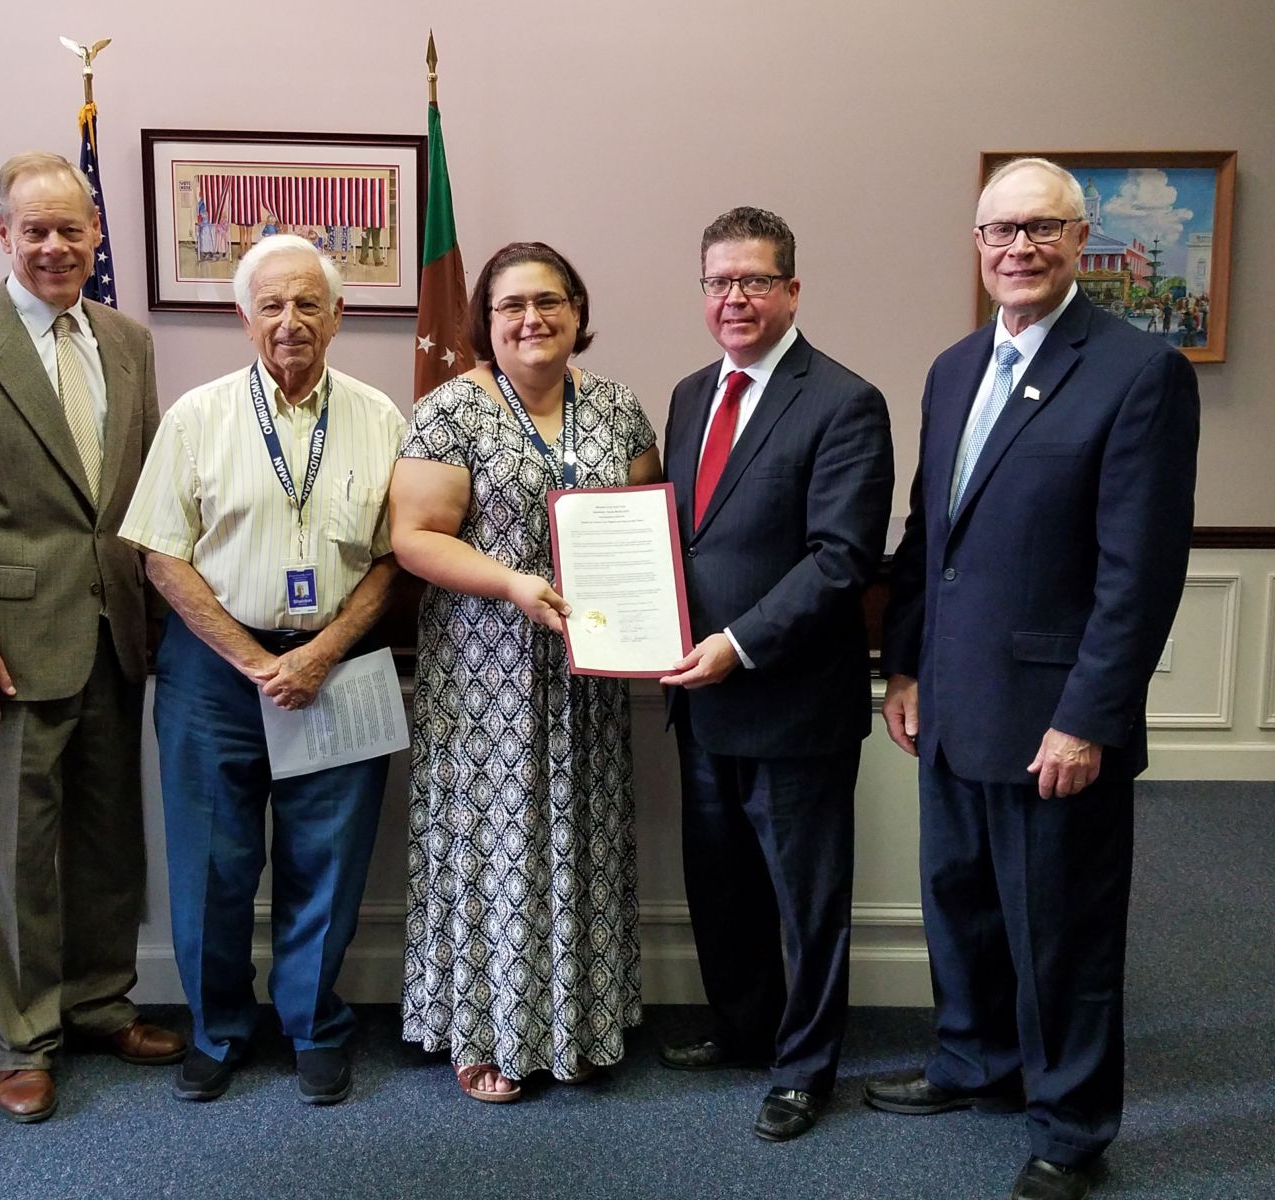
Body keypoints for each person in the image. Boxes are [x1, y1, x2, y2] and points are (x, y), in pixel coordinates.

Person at [866, 158, 1199, 1200]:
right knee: (959, 903)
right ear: (976, 245)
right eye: (999, 231)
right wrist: (905, 667)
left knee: (1062, 933)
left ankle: (1068, 1126)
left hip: (1056, 720)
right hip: (954, 702)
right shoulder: (953, 367)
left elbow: (1137, 572)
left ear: (1078, 239)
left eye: (1041, 229)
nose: (1019, 248)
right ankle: (976, 1061)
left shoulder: (1138, 370)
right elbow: (932, 539)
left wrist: (1087, 719)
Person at [0, 151, 182, 1123]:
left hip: (114, 632)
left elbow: (136, 496)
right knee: (11, 849)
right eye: (36, 230)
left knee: (106, 840)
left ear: (97, 236)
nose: (56, 246)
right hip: (1, 649)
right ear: (3, 234)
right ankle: (22, 1036)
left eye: (72, 229)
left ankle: (100, 1003)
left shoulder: (129, 342)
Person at [118, 234, 405, 1106]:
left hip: (339, 662)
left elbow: (396, 557)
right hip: (215, 673)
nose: (290, 322)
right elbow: (162, 558)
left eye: (308, 304)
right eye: (271, 306)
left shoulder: (382, 418)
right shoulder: (196, 418)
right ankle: (218, 1029)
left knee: (329, 858)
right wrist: (252, 660)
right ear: (244, 319)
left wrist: (319, 654)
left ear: (338, 316)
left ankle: (313, 1025)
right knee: (211, 862)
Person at [389, 241, 660, 1103]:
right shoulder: (449, 412)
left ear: (578, 311)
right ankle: (486, 1031)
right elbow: (416, 537)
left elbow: (644, 528)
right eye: (511, 306)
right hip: (485, 674)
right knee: (493, 846)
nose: (531, 319)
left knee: (580, 832)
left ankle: (580, 1023)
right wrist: (513, 583)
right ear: (486, 320)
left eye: (549, 302)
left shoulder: (619, 407)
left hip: (590, 674)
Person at [656, 207, 893, 1141]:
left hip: (790, 700)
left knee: (807, 900)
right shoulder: (685, 395)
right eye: (719, 281)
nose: (735, 298)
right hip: (699, 700)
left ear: (793, 289)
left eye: (755, 280)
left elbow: (840, 560)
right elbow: (684, 538)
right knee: (722, 887)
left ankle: (803, 1068)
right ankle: (745, 1029)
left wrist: (737, 644)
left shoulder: (843, 400)